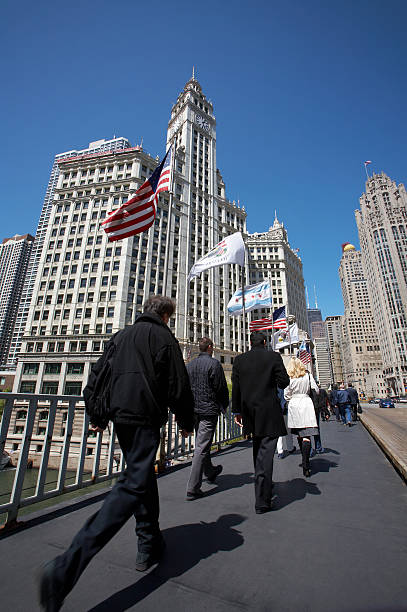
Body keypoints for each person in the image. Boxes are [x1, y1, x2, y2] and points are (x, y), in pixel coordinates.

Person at [38, 296, 194, 612]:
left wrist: (97, 414)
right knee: (131, 485)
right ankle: (64, 568)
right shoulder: (164, 338)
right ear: (165, 315)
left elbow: (97, 376)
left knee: (141, 478)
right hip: (145, 418)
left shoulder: (120, 336)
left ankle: (149, 543)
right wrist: (186, 420)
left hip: (120, 418)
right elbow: (178, 386)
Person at [232, 331, 289, 514]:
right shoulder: (273, 357)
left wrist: (237, 411)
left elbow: (237, 388)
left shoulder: (240, 360)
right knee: (265, 455)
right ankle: (262, 501)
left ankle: (263, 487)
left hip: (249, 412)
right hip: (269, 412)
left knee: (258, 452)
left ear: (250, 343)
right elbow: (284, 382)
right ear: (265, 342)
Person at [186, 337, 229, 500]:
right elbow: (220, 387)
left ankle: (209, 471)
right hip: (208, 410)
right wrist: (224, 404)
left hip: (194, 410)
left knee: (202, 443)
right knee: (202, 446)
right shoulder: (214, 364)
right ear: (210, 347)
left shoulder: (190, 365)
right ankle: (192, 488)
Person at [284, 357, 319, 478]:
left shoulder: (290, 378)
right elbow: (316, 390)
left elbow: (286, 394)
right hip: (306, 403)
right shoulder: (308, 376)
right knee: (306, 435)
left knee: (299, 433)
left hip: (294, 405)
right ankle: (306, 464)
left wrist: (291, 400)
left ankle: (304, 461)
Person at [276, 388, 296, 458]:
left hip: (276, 410)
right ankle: (290, 448)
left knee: (278, 432)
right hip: (285, 409)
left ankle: (280, 451)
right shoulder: (284, 384)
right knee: (288, 430)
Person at [311, 386, 329, 456]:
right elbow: (322, 401)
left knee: (305, 430)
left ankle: (308, 450)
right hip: (315, 409)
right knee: (316, 428)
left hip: (305, 409)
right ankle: (318, 447)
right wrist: (326, 411)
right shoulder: (318, 390)